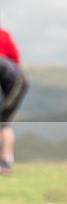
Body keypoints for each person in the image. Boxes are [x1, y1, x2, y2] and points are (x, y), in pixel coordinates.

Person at [0, 20, 29, 176]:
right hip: (14, 76)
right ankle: (5, 163)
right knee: (4, 122)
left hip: (8, 75)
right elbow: (16, 58)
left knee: (3, 122)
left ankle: (4, 163)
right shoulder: (4, 33)